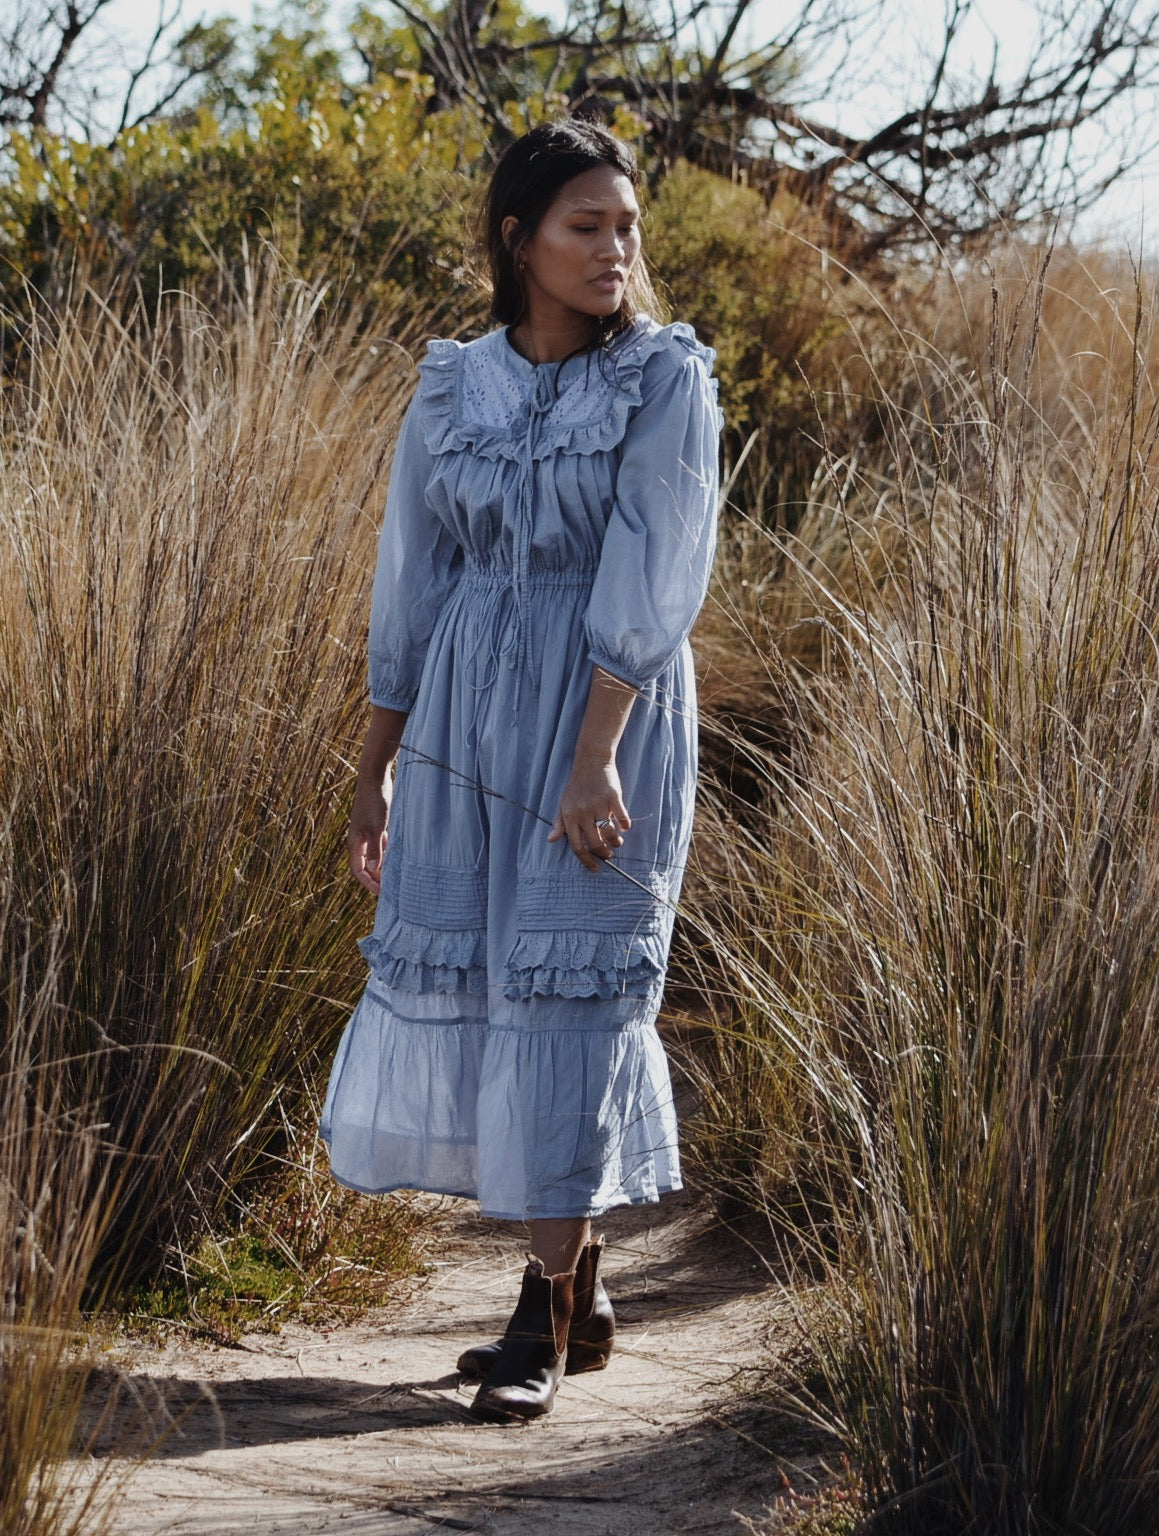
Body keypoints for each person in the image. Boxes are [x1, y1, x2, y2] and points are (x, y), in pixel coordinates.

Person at [320, 117, 722, 1423]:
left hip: (605, 720)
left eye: (627, 228)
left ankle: (542, 1322)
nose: (616, 250)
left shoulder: (664, 380)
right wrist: (374, 771)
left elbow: (657, 573)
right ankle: (577, 1289)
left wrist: (594, 759)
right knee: (505, 995)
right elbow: (409, 581)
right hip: (464, 720)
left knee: (573, 997)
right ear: (517, 240)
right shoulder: (453, 388)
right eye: (584, 226)